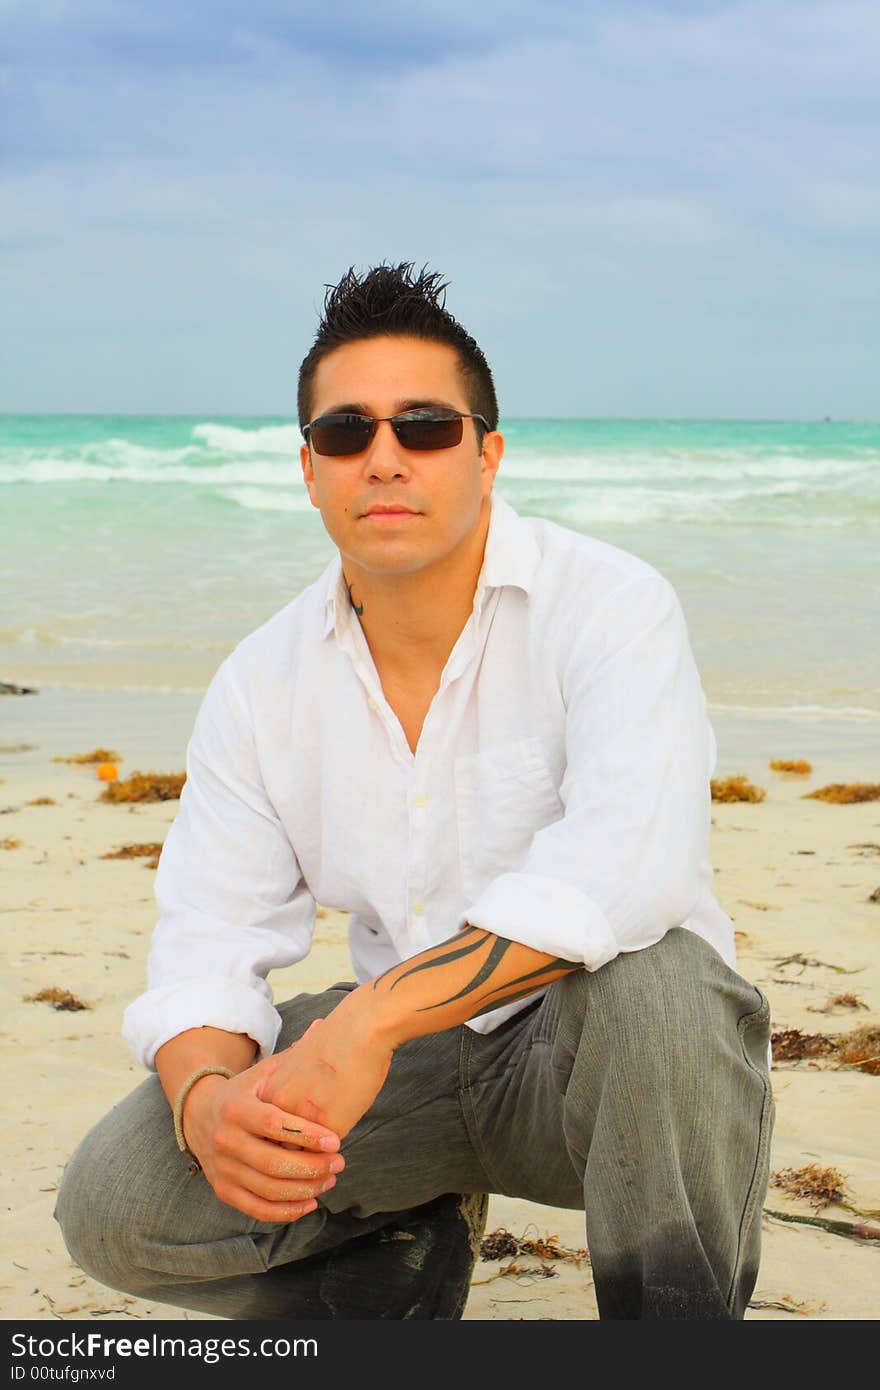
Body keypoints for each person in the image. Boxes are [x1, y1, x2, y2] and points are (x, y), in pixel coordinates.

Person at [55, 262, 774, 1321]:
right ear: (309, 470)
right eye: (346, 433)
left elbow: (633, 865)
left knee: (662, 984)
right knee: (116, 1197)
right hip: (404, 1080)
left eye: (426, 427)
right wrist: (209, 1102)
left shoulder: (611, 605)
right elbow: (210, 934)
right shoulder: (262, 680)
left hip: (600, 1076)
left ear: (487, 452)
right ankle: (395, 1261)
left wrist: (367, 1023)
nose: (383, 457)